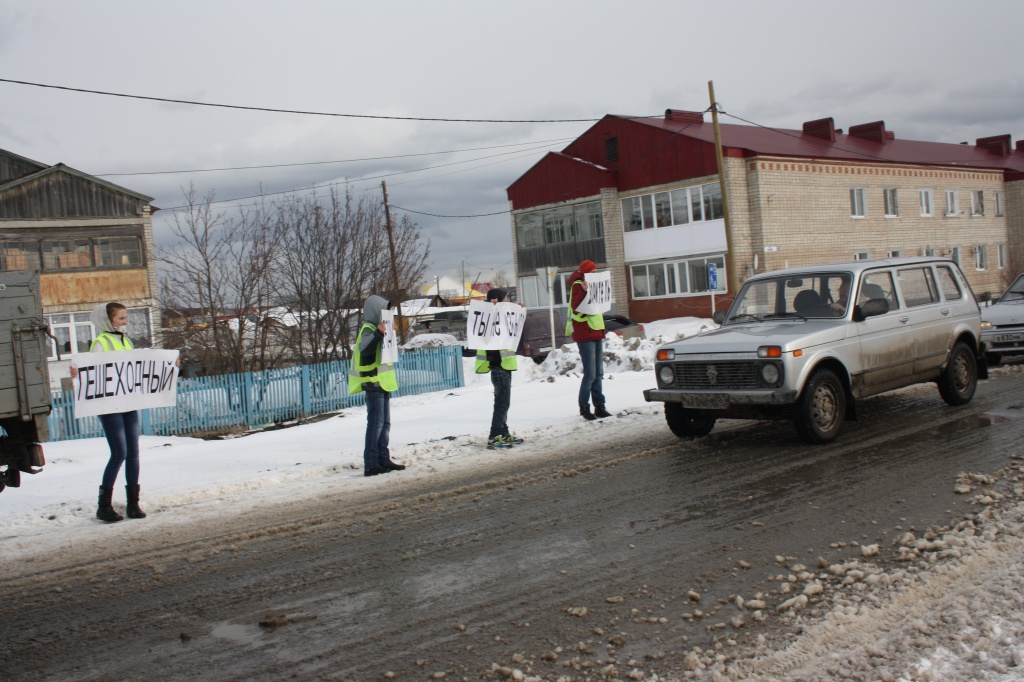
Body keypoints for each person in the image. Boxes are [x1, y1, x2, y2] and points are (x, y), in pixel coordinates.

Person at [70, 302, 179, 523]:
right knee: (119, 453)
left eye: (125, 317)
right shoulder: (101, 343)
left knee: (133, 454)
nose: (125, 322)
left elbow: (138, 369)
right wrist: (76, 373)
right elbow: (94, 372)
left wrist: (169, 365)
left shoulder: (125, 341)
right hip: (109, 408)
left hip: (128, 404)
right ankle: (104, 506)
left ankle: (133, 504)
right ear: (107, 320)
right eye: (121, 318)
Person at [348, 294, 406, 477]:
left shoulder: (379, 328)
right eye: (385, 310)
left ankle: (382, 458)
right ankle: (371, 463)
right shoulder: (368, 328)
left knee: (384, 424)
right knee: (376, 424)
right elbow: (365, 350)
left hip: (382, 383)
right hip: (373, 383)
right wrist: (378, 334)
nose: (388, 313)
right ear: (376, 311)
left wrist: (388, 333)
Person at [475, 288, 523, 449]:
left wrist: (519, 311)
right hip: (499, 366)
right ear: (496, 300)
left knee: (503, 402)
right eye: (506, 298)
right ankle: (494, 435)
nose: (508, 300)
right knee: (501, 403)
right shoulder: (489, 316)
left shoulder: (502, 315)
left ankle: (504, 433)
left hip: (505, 365)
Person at [567, 260, 611, 420]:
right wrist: (586, 292)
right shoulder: (578, 285)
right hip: (586, 334)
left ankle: (599, 406)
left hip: (596, 332)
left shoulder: (590, 284)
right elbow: (577, 307)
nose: (595, 274)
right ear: (586, 272)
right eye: (592, 272)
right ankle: (584, 407)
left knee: (598, 373)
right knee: (591, 374)